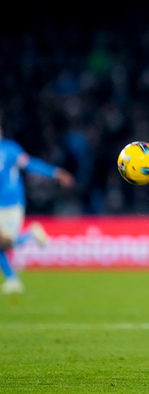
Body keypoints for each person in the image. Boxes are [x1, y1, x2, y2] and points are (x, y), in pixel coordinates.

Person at [0, 122, 74, 294]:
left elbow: (31, 164)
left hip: (12, 204)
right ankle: (12, 281)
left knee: (6, 242)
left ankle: (31, 236)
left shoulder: (10, 149)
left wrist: (56, 173)